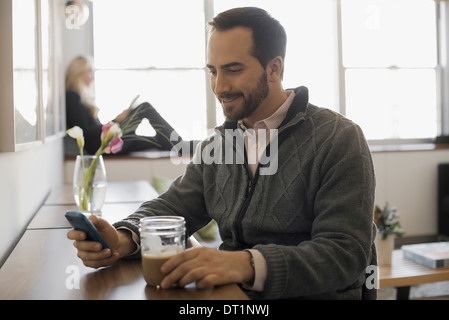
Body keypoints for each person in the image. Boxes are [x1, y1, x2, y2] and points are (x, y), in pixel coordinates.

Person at [67, 7, 377, 300]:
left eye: (232, 70)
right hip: (234, 294)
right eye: (213, 71)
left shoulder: (338, 138)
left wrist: (246, 264)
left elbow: (345, 254)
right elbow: (174, 205)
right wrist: (121, 239)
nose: (219, 86)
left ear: (274, 68)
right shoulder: (219, 144)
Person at [65, 55, 190, 155]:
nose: (92, 76)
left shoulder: (80, 97)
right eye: (89, 72)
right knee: (144, 108)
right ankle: (181, 145)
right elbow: (86, 132)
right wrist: (116, 121)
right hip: (101, 146)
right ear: (79, 73)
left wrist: (115, 121)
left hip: (103, 143)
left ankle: (183, 147)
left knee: (157, 141)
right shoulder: (73, 96)